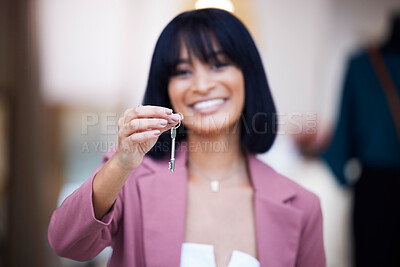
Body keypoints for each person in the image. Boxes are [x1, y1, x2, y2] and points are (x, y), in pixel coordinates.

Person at [48, 8, 326, 267]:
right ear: (166, 89)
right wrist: (121, 163)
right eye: (183, 71)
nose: (202, 85)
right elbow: (66, 243)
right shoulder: (130, 180)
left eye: (218, 65)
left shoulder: (304, 206)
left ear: (248, 76)